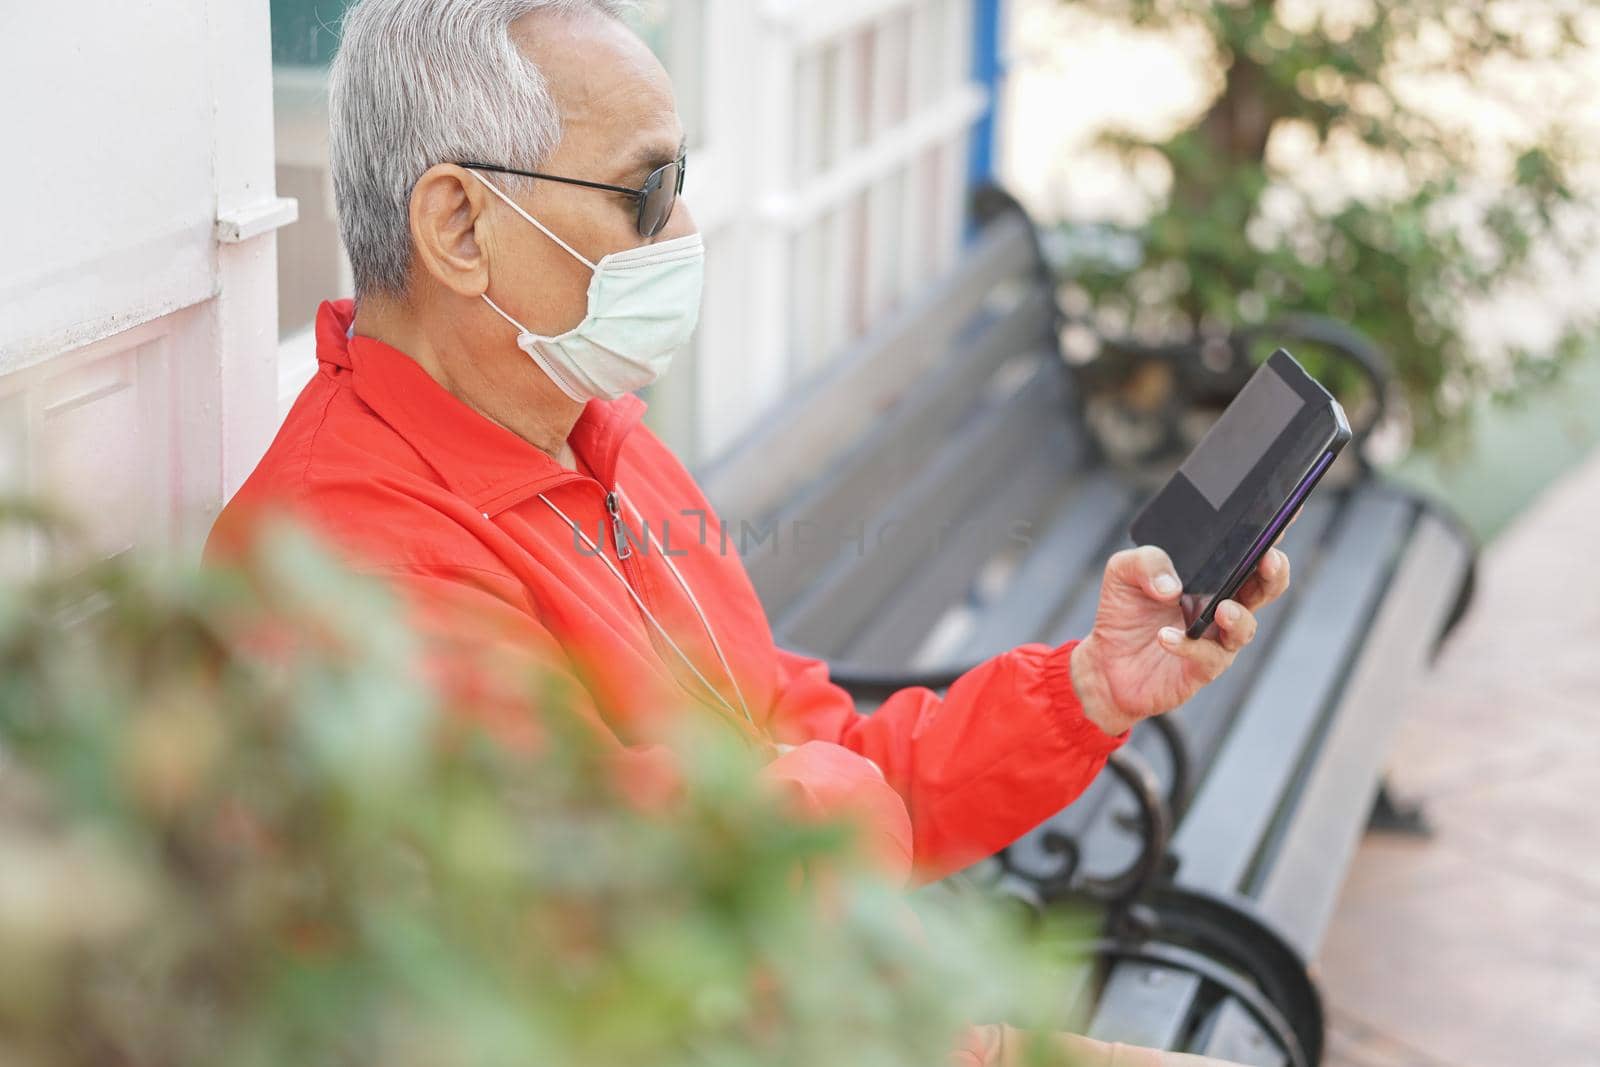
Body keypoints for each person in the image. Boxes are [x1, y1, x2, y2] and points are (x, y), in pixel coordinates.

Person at [208, 2, 1290, 1063]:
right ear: (457, 226)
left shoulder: (607, 451)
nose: (684, 232)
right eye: (649, 188)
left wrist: (1092, 685)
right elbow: (646, 944)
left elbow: (826, 772)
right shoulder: (345, 566)